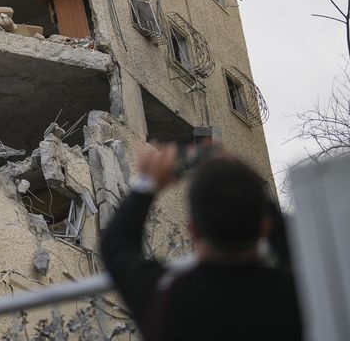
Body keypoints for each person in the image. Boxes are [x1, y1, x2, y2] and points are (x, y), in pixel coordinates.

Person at [100, 144, 303, 341]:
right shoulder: (298, 295)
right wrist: (238, 171)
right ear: (264, 227)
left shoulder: (166, 300)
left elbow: (116, 246)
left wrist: (147, 183)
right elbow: (298, 242)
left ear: (192, 229)